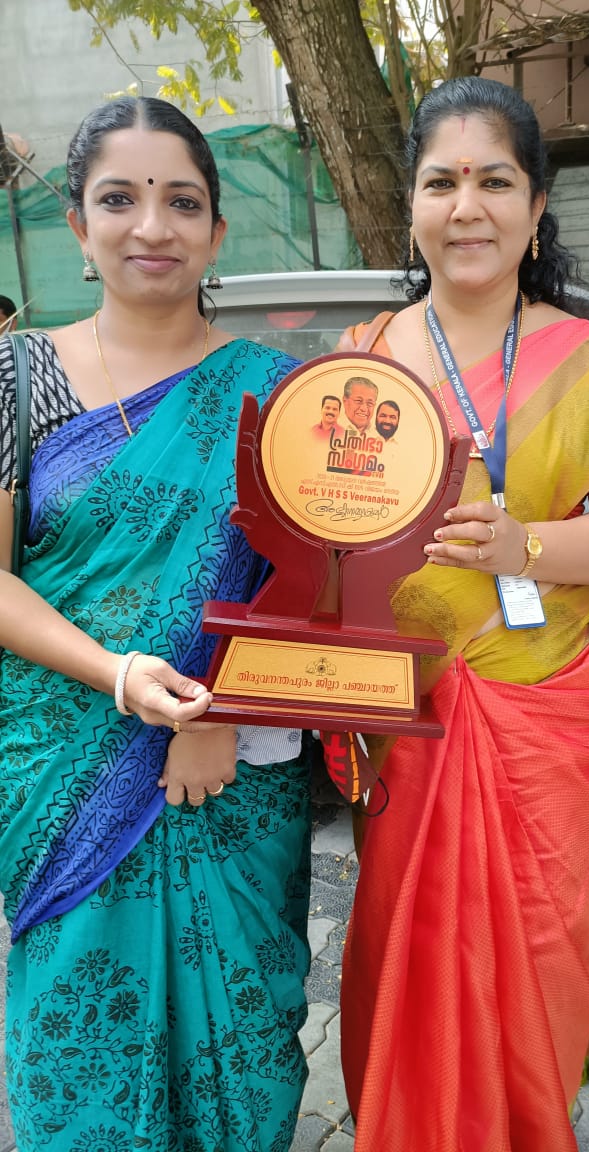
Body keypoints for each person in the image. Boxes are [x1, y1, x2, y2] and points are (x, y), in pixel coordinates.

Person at [336, 76, 589, 1152]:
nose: (468, 208)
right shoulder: (364, 361)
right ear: (412, 206)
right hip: (406, 721)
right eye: (442, 182)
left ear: (536, 206)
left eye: (495, 182)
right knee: (403, 956)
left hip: (547, 716)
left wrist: (524, 548)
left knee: (536, 970)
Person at [0, 97, 311, 1152]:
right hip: (63, 760)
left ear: (217, 232)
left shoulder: (278, 395)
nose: (151, 226)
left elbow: (310, 586)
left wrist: (223, 712)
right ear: (78, 229)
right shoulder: (16, 377)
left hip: (229, 776)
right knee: (76, 1051)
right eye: (118, 200)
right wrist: (118, 674)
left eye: (182, 202)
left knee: (239, 1051)